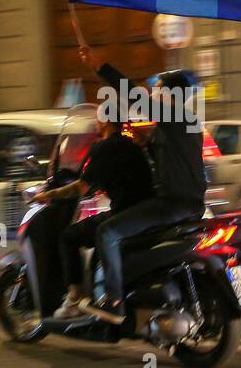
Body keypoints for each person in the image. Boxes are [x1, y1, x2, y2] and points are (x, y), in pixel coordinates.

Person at [76, 46, 206, 324]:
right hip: (187, 205)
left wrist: (101, 66)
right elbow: (171, 159)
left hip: (172, 205)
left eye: (157, 89)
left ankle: (113, 302)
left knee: (107, 231)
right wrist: (145, 143)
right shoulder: (184, 123)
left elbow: (134, 96)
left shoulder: (177, 117)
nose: (152, 93)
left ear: (171, 96)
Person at [33, 107, 155, 320]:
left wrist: (48, 195)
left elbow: (81, 188)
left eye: (97, 119)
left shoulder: (105, 147)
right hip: (143, 211)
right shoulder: (133, 146)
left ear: (105, 122)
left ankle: (74, 299)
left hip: (126, 212)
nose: (95, 123)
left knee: (69, 236)